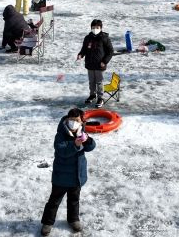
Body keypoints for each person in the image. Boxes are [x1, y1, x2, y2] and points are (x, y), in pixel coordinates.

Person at [40, 108, 96, 236]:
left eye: (76, 120)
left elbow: (91, 147)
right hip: (61, 176)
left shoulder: (82, 132)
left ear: (81, 122)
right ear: (67, 120)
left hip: (77, 176)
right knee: (54, 201)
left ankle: (73, 219)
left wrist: (87, 140)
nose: (73, 122)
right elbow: (61, 151)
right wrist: (75, 145)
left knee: (74, 200)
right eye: (71, 120)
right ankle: (47, 222)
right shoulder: (61, 134)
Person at [77, 19, 114, 108]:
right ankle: (92, 95)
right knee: (91, 82)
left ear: (101, 28)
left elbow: (110, 51)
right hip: (90, 64)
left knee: (99, 82)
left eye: (97, 27)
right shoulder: (87, 38)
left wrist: (104, 61)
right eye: (93, 27)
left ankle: (100, 98)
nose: (95, 29)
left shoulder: (104, 38)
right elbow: (84, 49)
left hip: (99, 65)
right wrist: (80, 54)